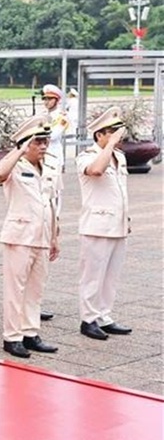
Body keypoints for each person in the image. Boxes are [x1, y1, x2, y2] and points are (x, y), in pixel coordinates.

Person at [0, 117, 61, 358]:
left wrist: (54, 236)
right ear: (25, 144)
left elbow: (52, 204)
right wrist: (19, 149)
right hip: (19, 236)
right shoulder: (14, 166)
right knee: (15, 290)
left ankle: (30, 333)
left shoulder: (50, 167)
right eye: (37, 142)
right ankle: (12, 337)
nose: (43, 146)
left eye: (45, 141)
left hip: (41, 236)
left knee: (35, 289)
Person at [76, 107, 133, 341]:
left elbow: (120, 191)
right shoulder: (87, 155)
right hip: (96, 225)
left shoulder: (119, 157)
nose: (118, 137)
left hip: (117, 224)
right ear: (99, 135)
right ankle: (88, 319)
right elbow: (96, 170)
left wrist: (125, 217)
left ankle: (104, 316)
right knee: (93, 275)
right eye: (112, 132)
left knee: (111, 275)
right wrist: (110, 145)